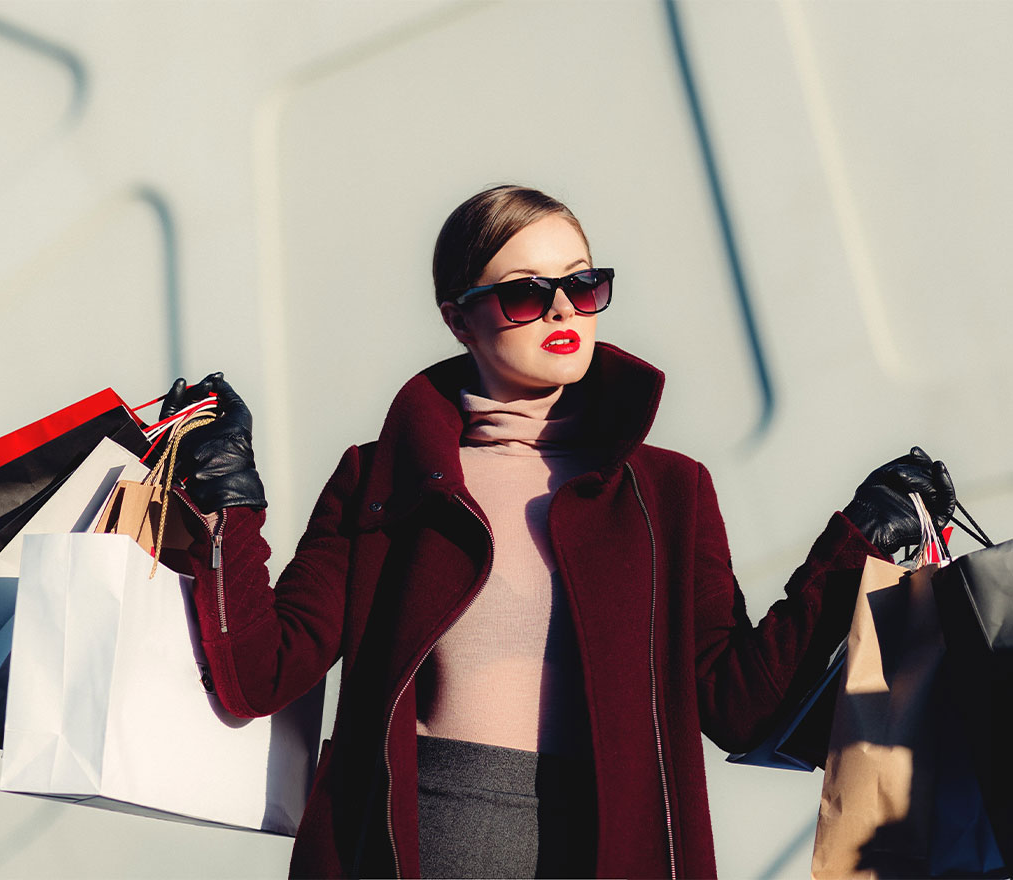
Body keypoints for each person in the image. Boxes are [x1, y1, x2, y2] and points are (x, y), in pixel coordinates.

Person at [162, 185, 956, 879]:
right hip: (420, 846)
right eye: (523, 294)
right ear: (458, 318)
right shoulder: (383, 479)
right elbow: (260, 673)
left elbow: (738, 704)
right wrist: (229, 500)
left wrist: (856, 542)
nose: (563, 311)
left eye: (583, 284)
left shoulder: (668, 491)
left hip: (616, 848)